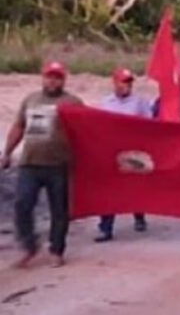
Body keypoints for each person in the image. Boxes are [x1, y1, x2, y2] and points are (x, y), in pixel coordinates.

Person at [2, 62, 83, 268]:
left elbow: (86, 133)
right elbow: (18, 127)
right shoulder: (30, 100)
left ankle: (57, 250)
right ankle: (29, 246)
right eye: (49, 76)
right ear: (43, 78)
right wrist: (7, 153)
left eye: (57, 77)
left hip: (59, 164)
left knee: (59, 210)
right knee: (22, 205)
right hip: (30, 163)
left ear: (63, 80)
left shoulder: (73, 102)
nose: (52, 81)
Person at [94, 68, 153, 243]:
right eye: (123, 82)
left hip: (132, 149)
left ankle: (139, 216)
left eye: (129, 82)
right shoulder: (106, 103)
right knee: (108, 190)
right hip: (111, 150)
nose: (127, 85)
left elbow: (150, 125)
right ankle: (105, 227)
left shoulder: (140, 103)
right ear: (115, 83)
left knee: (135, 186)